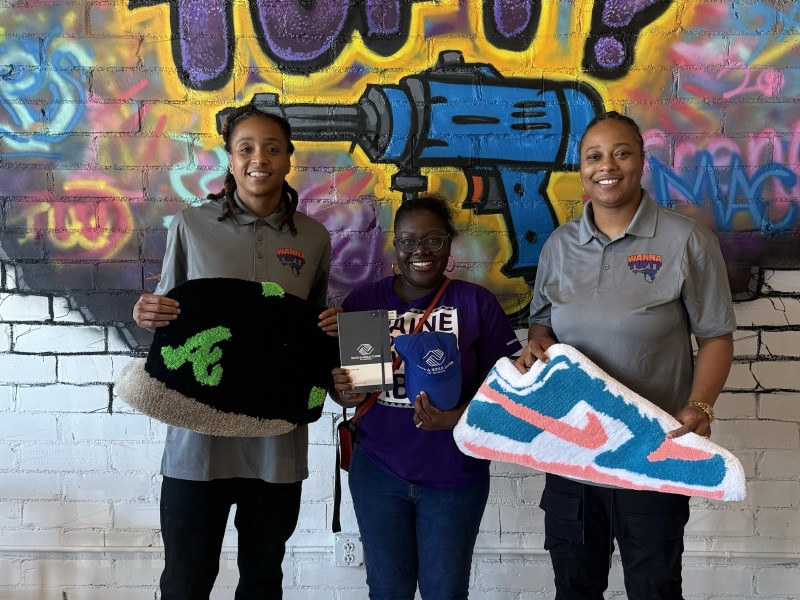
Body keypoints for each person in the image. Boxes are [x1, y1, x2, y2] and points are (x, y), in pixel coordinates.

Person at [515, 111, 736, 599]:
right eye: (594, 156)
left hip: (652, 448)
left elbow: (717, 335)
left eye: (621, 153)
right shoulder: (558, 245)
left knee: (653, 586)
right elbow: (542, 321)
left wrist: (699, 405)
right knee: (575, 585)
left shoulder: (686, 241)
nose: (606, 166)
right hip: (571, 447)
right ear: (581, 169)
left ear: (641, 161)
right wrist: (538, 344)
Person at [132, 104, 341, 599]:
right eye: (246, 148)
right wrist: (146, 315)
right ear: (229, 159)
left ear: (289, 158)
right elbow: (167, 312)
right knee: (185, 580)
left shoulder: (313, 237)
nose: (259, 158)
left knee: (263, 580)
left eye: (272, 148)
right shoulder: (190, 224)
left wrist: (334, 330)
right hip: (195, 441)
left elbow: (311, 329)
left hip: (276, 447)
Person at [331, 196, 522, 600]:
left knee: (445, 591)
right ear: (394, 244)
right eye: (408, 240)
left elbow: (509, 391)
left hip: (454, 475)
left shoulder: (476, 303)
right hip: (379, 470)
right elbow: (346, 391)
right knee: (387, 590)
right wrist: (341, 389)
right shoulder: (363, 303)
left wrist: (457, 418)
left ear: (450, 243)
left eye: (433, 240)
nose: (420, 251)